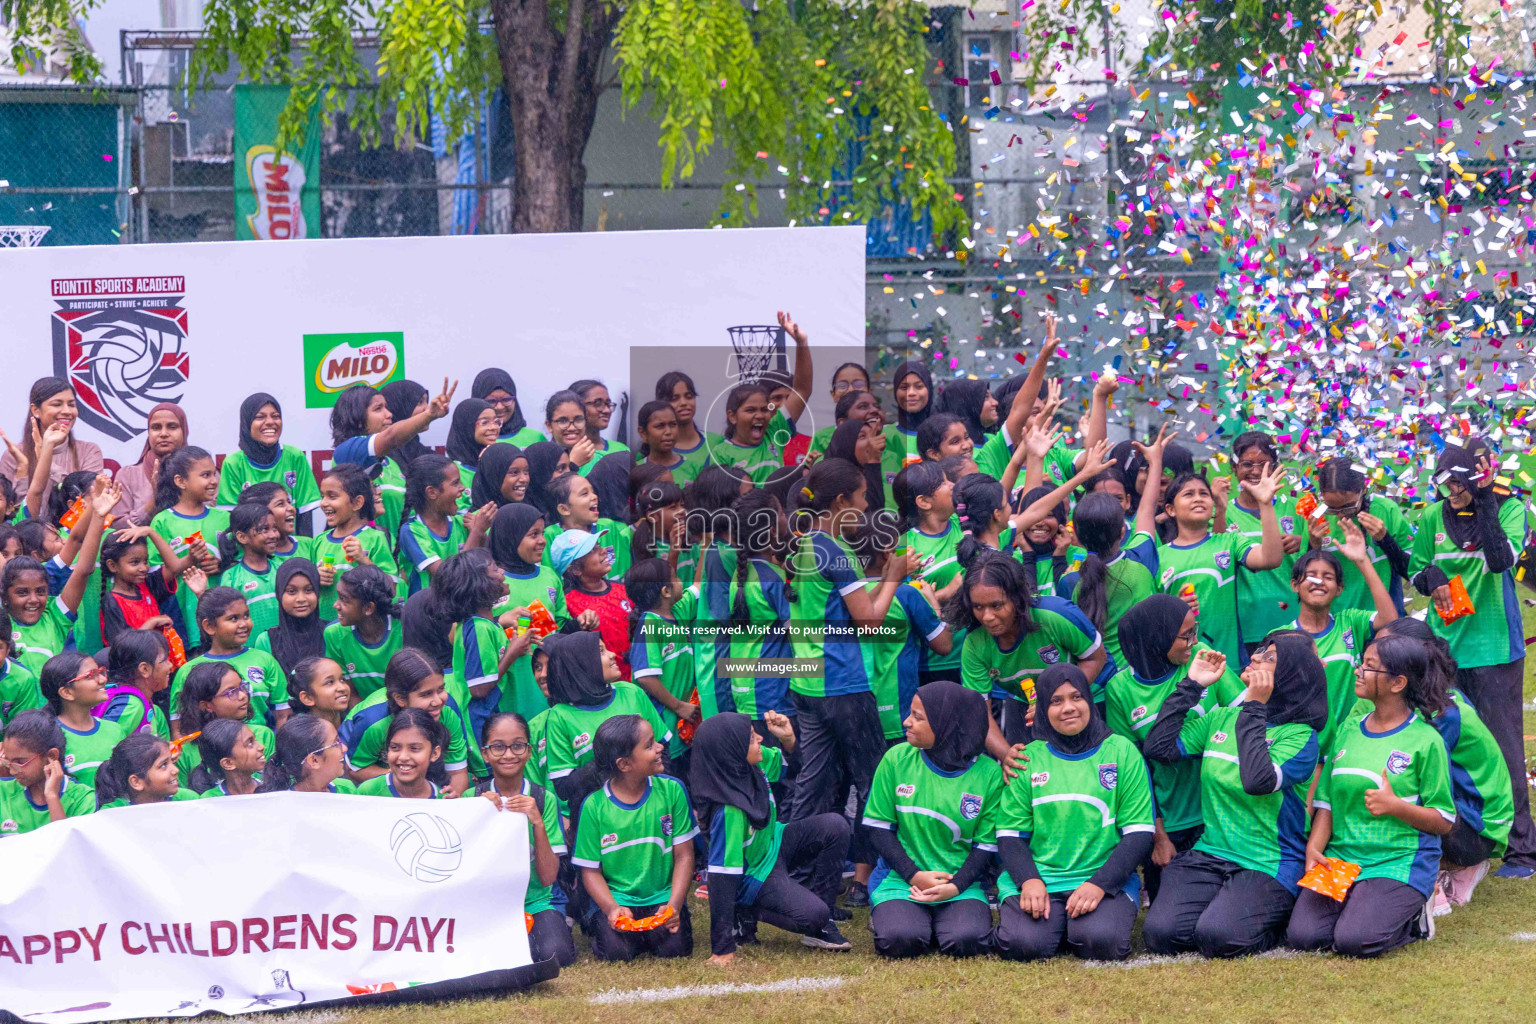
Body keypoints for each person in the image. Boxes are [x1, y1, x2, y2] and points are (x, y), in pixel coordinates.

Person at [1141, 634, 1326, 958]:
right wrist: (1191, 686)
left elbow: (1257, 780)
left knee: (1218, 936)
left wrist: (1254, 706)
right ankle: (1230, 907)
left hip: (1267, 862)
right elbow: (1159, 748)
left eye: (1268, 658)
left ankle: (1276, 921)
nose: (1254, 658)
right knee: (1161, 934)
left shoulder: (1301, 738)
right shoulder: (1221, 717)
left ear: (1289, 675)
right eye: (1258, 652)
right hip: (1210, 853)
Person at [784, 458, 917, 908]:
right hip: (841, 686)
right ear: (841, 501)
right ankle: (890, 880)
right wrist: (894, 577)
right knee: (877, 782)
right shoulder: (835, 551)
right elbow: (868, 621)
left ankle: (791, 879)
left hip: (808, 685)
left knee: (813, 785)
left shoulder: (802, 543)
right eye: (861, 498)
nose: (865, 506)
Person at [1407, 437, 1535, 878]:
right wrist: (1434, 575)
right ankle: (1467, 841)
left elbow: (1501, 561)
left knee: (1504, 745)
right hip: (1445, 653)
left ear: (1476, 478)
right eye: (1446, 484)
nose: (1453, 491)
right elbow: (1417, 570)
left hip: (1496, 648)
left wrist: (1484, 501)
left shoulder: (1511, 509)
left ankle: (1521, 849)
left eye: (1461, 482)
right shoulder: (1430, 516)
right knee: (1447, 746)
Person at [1287, 635, 1455, 955]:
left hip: (1397, 861)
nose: (1358, 671)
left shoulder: (1426, 741)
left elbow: (1444, 820)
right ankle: (1363, 902)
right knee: (1304, 937)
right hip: (1342, 860)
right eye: (1361, 662)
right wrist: (1314, 847)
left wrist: (1395, 807)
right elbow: (1326, 803)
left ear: (1397, 683)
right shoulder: (1350, 728)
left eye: (1369, 666)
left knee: (1355, 940)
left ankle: (1414, 914)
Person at [994, 664, 1155, 961]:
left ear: (1090, 702)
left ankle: (1072, 925)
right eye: (1056, 701)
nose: (1068, 708)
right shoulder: (1028, 758)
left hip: (1099, 877)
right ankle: (1054, 924)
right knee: (1024, 945)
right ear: (1042, 708)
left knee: (1102, 942)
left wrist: (1099, 884)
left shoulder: (1121, 752)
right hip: (1042, 879)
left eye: (1076, 697)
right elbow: (1009, 835)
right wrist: (1029, 879)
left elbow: (1140, 833)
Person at [1103, 594, 1245, 898]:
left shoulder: (1201, 657)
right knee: (1169, 917)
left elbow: (1245, 713)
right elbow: (1133, 772)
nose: (1194, 641)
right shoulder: (1120, 688)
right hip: (1169, 820)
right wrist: (1159, 836)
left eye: (1195, 631)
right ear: (1157, 637)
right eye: (1185, 635)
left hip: (1219, 813)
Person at [1374, 617, 1511, 910]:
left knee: (1403, 790)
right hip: (1466, 817)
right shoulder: (1427, 697)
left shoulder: (1444, 712)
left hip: (1478, 830)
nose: (1373, 655)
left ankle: (1440, 876)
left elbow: (1418, 778)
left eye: (1384, 648)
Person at [694, 711, 853, 960]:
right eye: (750, 738)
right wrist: (722, 947)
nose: (760, 738)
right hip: (753, 875)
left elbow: (798, 767)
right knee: (813, 914)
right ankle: (747, 910)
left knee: (836, 825)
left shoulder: (753, 762)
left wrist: (788, 739)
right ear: (732, 751)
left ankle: (820, 921)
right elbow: (722, 877)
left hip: (773, 841)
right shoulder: (728, 813)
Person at [864, 681, 1000, 958]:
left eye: (918, 717)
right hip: (901, 879)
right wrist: (915, 875)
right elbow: (879, 830)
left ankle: (941, 920)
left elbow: (986, 846)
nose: (906, 722)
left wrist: (955, 886)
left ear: (947, 724)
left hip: (960, 882)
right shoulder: (896, 759)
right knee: (901, 940)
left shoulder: (988, 774)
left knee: (968, 942)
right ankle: (895, 915)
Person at [950, 549, 1107, 753]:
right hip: (1023, 704)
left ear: (1017, 597)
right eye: (978, 607)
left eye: (996, 605)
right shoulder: (975, 644)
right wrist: (1006, 755)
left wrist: (1053, 701)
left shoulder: (1055, 616)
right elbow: (980, 711)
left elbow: (1096, 658)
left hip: (1080, 700)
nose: (987, 616)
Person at [572, 714, 698, 961]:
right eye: (650, 745)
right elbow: (590, 871)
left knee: (675, 950)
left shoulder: (672, 791)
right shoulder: (594, 806)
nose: (660, 747)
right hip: (618, 900)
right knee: (617, 952)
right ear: (625, 764)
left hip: (661, 897)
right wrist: (611, 908)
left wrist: (674, 905)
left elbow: (684, 856)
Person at [1056, 427, 1170, 676]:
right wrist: (1155, 460)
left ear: (1078, 537)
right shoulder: (1141, 557)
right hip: (1142, 680)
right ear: (1122, 532)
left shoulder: (1069, 580)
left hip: (1095, 686)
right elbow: (1147, 509)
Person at [1158, 465, 1285, 667]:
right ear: (1170, 509)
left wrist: (1265, 504)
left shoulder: (1229, 542)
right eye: (1189, 494)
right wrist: (1175, 607)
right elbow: (1152, 617)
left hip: (1228, 664)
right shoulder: (1159, 556)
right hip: (1180, 667)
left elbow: (1271, 559)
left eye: (1204, 494)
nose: (1198, 498)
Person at [1287, 524, 1396, 755]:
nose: (1319, 582)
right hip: (1304, 749)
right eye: (1311, 576)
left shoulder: (1350, 622)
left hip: (1350, 744)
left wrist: (1361, 560)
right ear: (1295, 585)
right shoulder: (1283, 638)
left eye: (1328, 577)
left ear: (1339, 589)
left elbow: (1389, 618)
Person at [476, 712, 575, 966]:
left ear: (529, 751)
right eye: (498, 747)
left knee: (556, 955)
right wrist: (478, 811)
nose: (509, 754)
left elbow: (548, 878)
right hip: (486, 905)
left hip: (537, 901)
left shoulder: (543, 800)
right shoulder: (473, 797)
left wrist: (537, 822)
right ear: (485, 753)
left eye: (517, 745)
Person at [539, 630, 670, 807]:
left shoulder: (631, 692)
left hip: (651, 802)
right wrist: (612, 758)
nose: (612, 655)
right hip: (598, 816)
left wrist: (662, 797)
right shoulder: (560, 716)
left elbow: (664, 748)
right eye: (601, 651)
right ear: (582, 664)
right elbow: (563, 787)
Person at [4, 478, 115, 674]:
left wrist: (98, 516)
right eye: (22, 592)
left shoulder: (55, 617)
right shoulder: (3, 622)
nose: (33, 599)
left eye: (41, 591)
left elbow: (82, 570)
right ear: (5, 596)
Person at [331, 378, 455, 546]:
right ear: (358, 418)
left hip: (391, 559)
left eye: (387, 407)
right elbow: (391, 437)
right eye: (378, 409)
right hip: (357, 556)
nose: (389, 414)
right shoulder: (347, 452)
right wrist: (428, 415)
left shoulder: (392, 463)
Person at [339, 648, 473, 797]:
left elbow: (458, 771)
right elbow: (356, 770)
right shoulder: (373, 723)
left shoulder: (447, 711)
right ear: (400, 699)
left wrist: (451, 801)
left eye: (441, 689)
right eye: (426, 694)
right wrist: (403, 771)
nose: (437, 701)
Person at [489, 503, 579, 720]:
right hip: (509, 679)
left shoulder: (549, 576)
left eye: (542, 533)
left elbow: (560, 624)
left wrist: (580, 623)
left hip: (548, 678)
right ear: (510, 537)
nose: (542, 541)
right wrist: (500, 620)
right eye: (533, 534)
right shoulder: (491, 580)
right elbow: (467, 630)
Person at [432, 548, 529, 741]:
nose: (502, 572)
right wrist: (512, 651)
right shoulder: (479, 628)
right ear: (480, 585)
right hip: (484, 724)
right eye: (495, 570)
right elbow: (479, 688)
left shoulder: (482, 625)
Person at [1222, 432, 1306, 652]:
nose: (1256, 472)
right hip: (1245, 622)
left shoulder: (1297, 508)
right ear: (1234, 467)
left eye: (1264, 464)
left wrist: (1304, 541)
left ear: (1276, 466)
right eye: (1247, 464)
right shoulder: (1222, 512)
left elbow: (1321, 556)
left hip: (1293, 617)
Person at [168, 587, 287, 734]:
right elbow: (179, 728)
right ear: (209, 626)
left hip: (262, 751)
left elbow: (283, 716)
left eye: (246, 616)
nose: (243, 624)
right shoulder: (188, 671)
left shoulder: (264, 660)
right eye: (233, 618)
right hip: (209, 753)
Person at [148, 446, 228, 647]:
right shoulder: (162, 521)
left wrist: (221, 564)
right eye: (205, 475)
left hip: (221, 617)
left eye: (214, 474)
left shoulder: (224, 519)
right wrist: (189, 561)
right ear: (180, 481)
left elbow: (239, 563)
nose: (213, 481)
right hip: (180, 617)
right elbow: (155, 579)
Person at [627, 557, 699, 771]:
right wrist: (679, 706)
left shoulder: (678, 612)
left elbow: (698, 585)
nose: (681, 581)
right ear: (666, 592)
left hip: (685, 728)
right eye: (676, 577)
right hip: (665, 731)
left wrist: (707, 542)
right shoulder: (648, 625)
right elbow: (645, 677)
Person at [311, 463, 400, 621]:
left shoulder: (375, 539)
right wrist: (315, 579)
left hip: (362, 629)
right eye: (322, 496)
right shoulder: (319, 541)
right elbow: (308, 591)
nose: (324, 503)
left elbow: (390, 590)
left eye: (332, 496)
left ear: (357, 502)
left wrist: (363, 560)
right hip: (325, 628)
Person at [215, 393, 323, 521]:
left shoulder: (294, 456)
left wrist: (303, 541)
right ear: (246, 423)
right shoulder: (233, 463)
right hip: (252, 540)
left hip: (289, 540)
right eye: (260, 417)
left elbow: (304, 513)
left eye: (275, 416)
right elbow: (231, 518)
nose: (270, 422)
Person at [97, 520, 202, 646]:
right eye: (135, 562)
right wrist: (152, 623)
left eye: (145, 561)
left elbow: (174, 567)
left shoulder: (148, 585)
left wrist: (150, 532)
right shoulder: (111, 601)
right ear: (113, 565)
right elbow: (121, 646)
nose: (143, 568)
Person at [173, 659, 277, 780]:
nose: (243, 695)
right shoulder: (185, 752)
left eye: (242, 687)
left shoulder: (263, 736)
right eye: (231, 692)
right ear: (206, 706)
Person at [399, 454, 481, 594]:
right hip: (427, 612)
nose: (462, 488)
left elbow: (480, 564)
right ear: (432, 492)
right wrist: (477, 532)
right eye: (455, 483)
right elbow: (448, 578)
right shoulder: (412, 531)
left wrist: (480, 534)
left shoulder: (463, 523)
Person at [0, 709, 96, 831]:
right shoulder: (3, 792)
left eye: (20, 762)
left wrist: (52, 796)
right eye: (8, 761)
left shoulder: (83, 799)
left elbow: (66, 846)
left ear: (51, 756)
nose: (12, 771)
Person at [555, 530, 632, 679]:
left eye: (599, 545)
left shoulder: (623, 589)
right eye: (593, 550)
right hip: (605, 684)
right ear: (575, 569)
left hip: (638, 677)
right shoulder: (567, 603)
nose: (603, 551)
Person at [1, 377, 104, 488]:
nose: (67, 411)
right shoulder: (15, 456)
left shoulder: (88, 451)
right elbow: (11, 504)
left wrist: (44, 459)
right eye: (56, 404)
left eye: (71, 405)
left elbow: (89, 498)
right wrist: (23, 468)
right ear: (36, 410)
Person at [40, 651, 124, 786]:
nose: (103, 680)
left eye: (100, 672)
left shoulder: (115, 730)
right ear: (67, 692)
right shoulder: (48, 736)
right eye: (91, 675)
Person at [323, 565, 403, 701]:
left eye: (343, 599)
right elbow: (351, 695)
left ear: (368, 608)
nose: (335, 605)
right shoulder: (334, 634)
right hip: (365, 713)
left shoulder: (403, 628)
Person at [110, 402, 187, 527]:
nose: (163, 433)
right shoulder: (128, 475)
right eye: (156, 427)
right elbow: (116, 526)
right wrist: (153, 502)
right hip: (142, 545)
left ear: (184, 430)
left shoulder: (199, 470)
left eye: (172, 427)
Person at [543, 473, 630, 584]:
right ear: (564, 509)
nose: (594, 496)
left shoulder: (608, 527)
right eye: (584, 493)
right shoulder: (550, 535)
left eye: (592, 491)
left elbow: (625, 568)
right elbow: (548, 581)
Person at [213, 502, 283, 638]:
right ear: (242, 537)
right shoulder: (231, 577)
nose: (273, 535)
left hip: (283, 647)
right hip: (251, 651)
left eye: (274, 528)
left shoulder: (281, 569)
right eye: (264, 529)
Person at [253, 559, 325, 683]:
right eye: (291, 591)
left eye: (309, 590)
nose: (301, 599)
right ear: (279, 594)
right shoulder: (266, 641)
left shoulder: (330, 633)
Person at [355, 708, 451, 799]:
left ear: (434, 753)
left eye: (414, 748)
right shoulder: (367, 793)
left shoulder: (442, 801)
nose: (403, 757)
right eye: (394, 748)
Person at [98, 629, 173, 739]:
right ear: (145, 669)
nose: (170, 665)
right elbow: (107, 747)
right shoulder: (132, 706)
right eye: (165, 660)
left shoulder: (136, 699)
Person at [256, 713, 356, 794]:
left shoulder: (347, 789)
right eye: (335, 744)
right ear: (314, 760)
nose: (344, 748)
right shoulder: (283, 805)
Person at [95, 732, 197, 809]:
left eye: (172, 761)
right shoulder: (114, 812)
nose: (175, 770)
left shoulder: (188, 800)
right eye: (163, 765)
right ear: (136, 782)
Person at [656, 371, 722, 483]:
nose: (683, 403)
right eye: (674, 398)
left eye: (689, 396)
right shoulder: (654, 451)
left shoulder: (718, 443)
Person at [190, 718, 268, 797]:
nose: (261, 747)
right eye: (250, 743)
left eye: (255, 740)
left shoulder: (271, 789)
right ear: (228, 763)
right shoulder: (210, 800)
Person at [239, 481, 310, 567]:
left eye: (289, 502)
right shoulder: (255, 557)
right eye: (281, 504)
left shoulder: (309, 545)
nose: (291, 508)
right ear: (262, 513)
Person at [568, 379, 632, 473]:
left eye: (608, 404)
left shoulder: (622, 449)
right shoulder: (567, 454)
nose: (607, 410)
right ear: (576, 407)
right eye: (598, 404)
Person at [472, 368, 544, 447]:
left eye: (506, 400)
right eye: (491, 401)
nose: (499, 407)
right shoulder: (467, 441)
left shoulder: (535, 439)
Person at [445, 397, 500, 502]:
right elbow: (455, 515)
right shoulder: (452, 472)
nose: (494, 427)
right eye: (485, 422)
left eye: (496, 421)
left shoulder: (499, 464)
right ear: (466, 426)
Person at [286, 654, 354, 728]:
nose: (342, 688)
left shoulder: (354, 725)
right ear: (307, 698)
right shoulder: (303, 737)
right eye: (329, 682)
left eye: (342, 679)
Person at [635, 400, 688, 481]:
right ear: (643, 433)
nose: (668, 432)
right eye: (660, 426)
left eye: (673, 424)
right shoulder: (636, 470)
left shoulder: (693, 468)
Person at [468, 442, 530, 509]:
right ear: (493, 477)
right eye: (514, 472)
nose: (524, 479)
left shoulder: (531, 515)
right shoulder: (472, 518)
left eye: (526, 472)